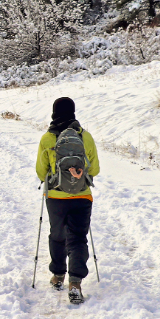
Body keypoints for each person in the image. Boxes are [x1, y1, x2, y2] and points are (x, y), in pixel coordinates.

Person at [35, 97, 99, 304]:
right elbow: (95, 169)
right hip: (82, 195)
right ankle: (75, 283)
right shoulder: (85, 137)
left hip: (55, 197)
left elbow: (40, 171)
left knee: (57, 235)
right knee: (79, 237)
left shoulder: (47, 139)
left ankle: (58, 276)